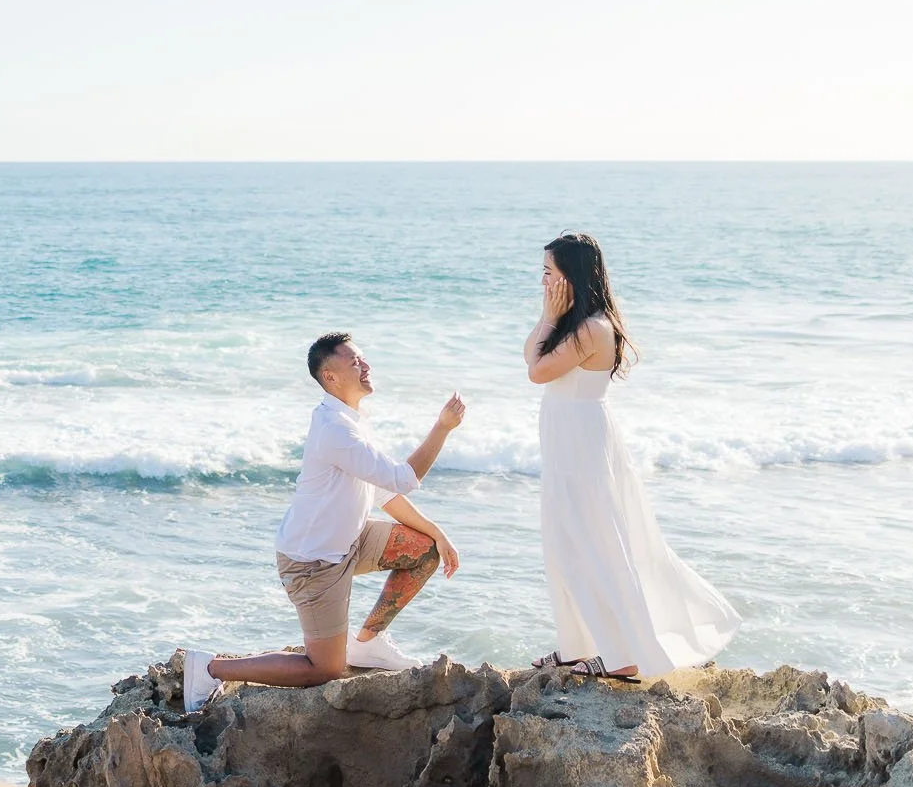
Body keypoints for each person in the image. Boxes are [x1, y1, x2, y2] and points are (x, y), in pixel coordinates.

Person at [180, 333, 463, 707]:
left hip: (349, 541)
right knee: (325, 670)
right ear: (331, 377)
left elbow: (383, 493)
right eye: (356, 362)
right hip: (313, 563)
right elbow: (404, 479)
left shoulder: (354, 418)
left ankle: (368, 643)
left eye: (363, 359)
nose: (367, 367)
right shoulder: (336, 430)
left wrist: (437, 533)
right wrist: (442, 427)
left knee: (424, 550)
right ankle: (210, 669)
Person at [526, 232, 740, 681]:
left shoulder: (591, 328)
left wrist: (549, 316)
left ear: (571, 276)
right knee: (563, 544)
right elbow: (532, 355)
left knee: (593, 545)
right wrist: (549, 318)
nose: (542, 280)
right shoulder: (571, 323)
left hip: (582, 446)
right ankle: (576, 645)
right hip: (567, 443)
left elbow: (538, 371)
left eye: (549, 272)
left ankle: (621, 652)